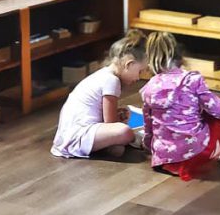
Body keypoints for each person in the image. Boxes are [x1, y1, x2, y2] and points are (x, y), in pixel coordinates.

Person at [141, 32, 220, 181]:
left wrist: (149, 146)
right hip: (194, 153)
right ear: (181, 58)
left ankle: (171, 159)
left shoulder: (149, 87)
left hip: (165, 158)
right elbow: (218, 110)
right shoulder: (192, 79)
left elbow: (148, 124)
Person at [51, 30, 148, 158]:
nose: (138, 77)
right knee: (125, 132)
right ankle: (124, 143)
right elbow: (111, 124)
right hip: (77, 136)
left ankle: (106, 145)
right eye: (140, 71)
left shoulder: (105, 75)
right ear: (128, 65)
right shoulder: (112, 81)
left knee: (119, 142)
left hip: (71, 134)